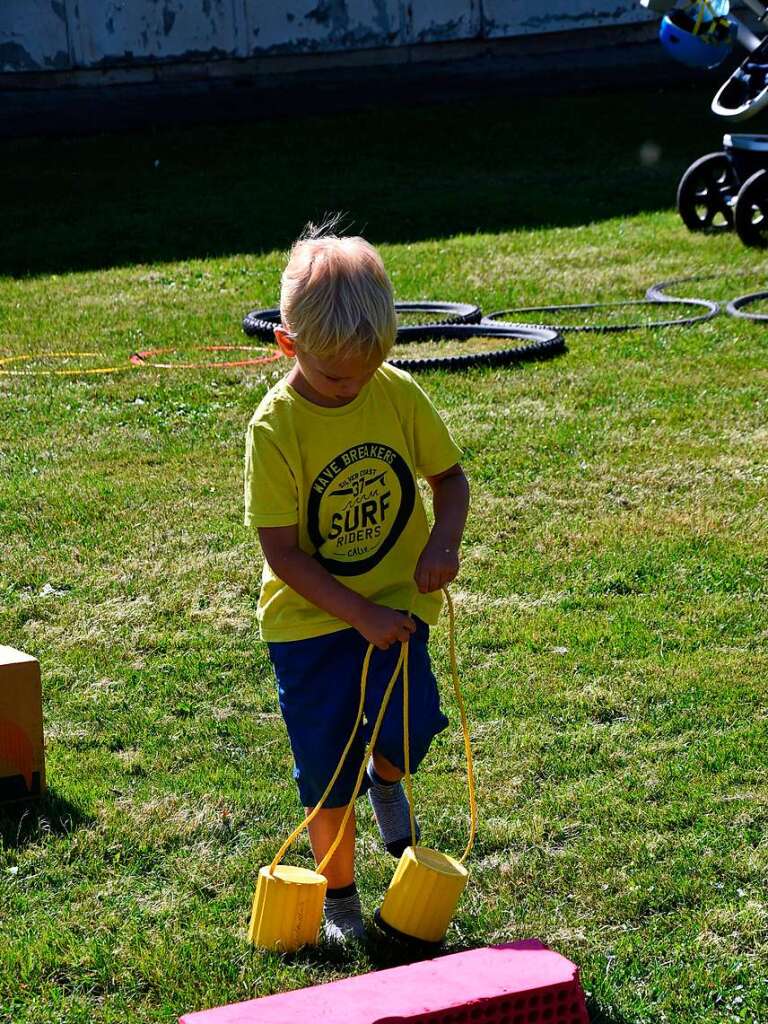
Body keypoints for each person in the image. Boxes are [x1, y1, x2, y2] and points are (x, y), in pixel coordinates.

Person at [244, 222, 470, 943]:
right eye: (337, 375)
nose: (353, 386)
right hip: (310, 624)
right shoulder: (276, 427)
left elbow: (451, 479)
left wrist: (442, 540)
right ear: (288, 345)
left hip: (400, 606)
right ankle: (339, 898)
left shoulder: (395, 393)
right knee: (324, 767)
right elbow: (283, 552)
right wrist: (358, 614)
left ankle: (389, 779)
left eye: (366, 370)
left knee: (413, 726)